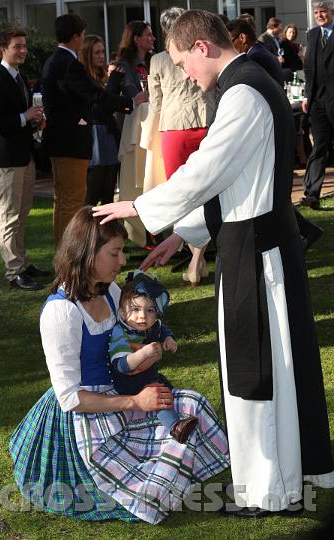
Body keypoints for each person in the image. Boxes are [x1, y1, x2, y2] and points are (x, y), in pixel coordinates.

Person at [93, 10, 334, 518]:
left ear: (202, 47)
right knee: (269, 371)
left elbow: (207, 170)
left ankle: (268, 490)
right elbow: (234, 181)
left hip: (257, 254)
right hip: (256, 244)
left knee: (257, 373)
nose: (184, 74)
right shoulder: (248, 85)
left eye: (182, 62)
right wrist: (183, 233)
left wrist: (139, 205)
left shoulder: (243, 91)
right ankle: (276, 480)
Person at [9, 206, 230, 524]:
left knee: (191, 405)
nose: (123, 261)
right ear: (88, 254)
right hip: (88, 414)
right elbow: (70, 398)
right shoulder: (61, 313)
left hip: (125, 388)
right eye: (114, 253)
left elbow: (129, 341)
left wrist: (148, 351)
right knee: (152, 481)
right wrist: (136, 402)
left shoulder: (112, 292)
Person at [41, 14, 139, 248]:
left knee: (63, 200)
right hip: (70, 142)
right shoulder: (68, 63)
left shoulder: (54, 61)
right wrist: (129, 103)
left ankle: (62, 250)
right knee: (71, 201)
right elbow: (95, 95)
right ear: (76, 36)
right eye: (82, 34)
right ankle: (67, 254)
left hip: (61, 140)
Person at [227, 17, 323, 251]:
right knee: (273, 190)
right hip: (274, 123)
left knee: (272, 191)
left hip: (268, 126)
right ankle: (304, 231)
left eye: (231, 41)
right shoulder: (261, 52)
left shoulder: (255, 56)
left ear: (242, 38)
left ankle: (303, 231)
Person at [148, 6, 215, 284]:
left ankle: (195, 259)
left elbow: (156, 101)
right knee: (206, 191)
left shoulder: (158, 60)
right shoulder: (198, 54)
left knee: (183, 194)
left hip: (174, 128)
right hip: (204, 122)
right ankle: (198, 259)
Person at [0, 27, 50, 290]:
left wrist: (34, 121)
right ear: (3, 49)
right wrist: (24, 117)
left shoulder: (19, 78)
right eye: (17, 46)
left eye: (23, 46)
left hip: (23, 156)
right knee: (9, 216)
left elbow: (20, 117)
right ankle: (14, 271)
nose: (22, 50)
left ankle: (21, 262)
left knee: (21, 214)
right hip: (5, 160)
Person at [109, 269, 198, 443]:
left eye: (150, 310)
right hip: (130, 384)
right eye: (135, 309)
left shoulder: (153, 325)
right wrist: (143, 353)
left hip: (148, 375)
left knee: (165, 389)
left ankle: (174, 414)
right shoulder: (121, 333)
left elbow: (162, 328)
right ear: (122, 312)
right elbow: (121, 365)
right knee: (159, 396)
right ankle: (175, 428)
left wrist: (168, 339)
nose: (143, 316)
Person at [79, 34, 121, 206]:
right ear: (88, 54)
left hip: (108, 134)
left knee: (108, 192)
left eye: (102, 52)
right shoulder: (83, 78)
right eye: (96, 52)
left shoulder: (103, 76)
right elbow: (99, 107)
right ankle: (85, 231)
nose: (101, 56)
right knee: (92, 193)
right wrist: (113, 84)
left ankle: (105, 232)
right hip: (95, 134)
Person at [300, 0, 334, 209]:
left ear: (332, 12)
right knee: (319, 146)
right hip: (317, 103)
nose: (319, 15)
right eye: (317, 12)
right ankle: (312, 194)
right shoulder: (312, 35)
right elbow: (309, 68)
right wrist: (306, 96)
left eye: (323, 12)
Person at [117, 20, 154, 97]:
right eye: (149, 35)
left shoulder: (154, 61)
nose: (153, 38)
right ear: (137, 39)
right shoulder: (125, 65)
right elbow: (133, 94)